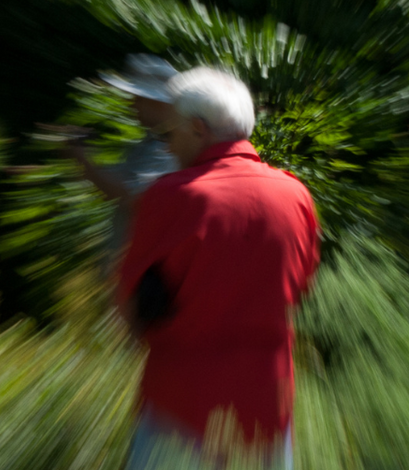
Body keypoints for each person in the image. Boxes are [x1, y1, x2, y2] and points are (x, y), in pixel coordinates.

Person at [117, 67, 321, 469]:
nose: (170, 147)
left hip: (179, 402)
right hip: (266, 405)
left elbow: (131, 305)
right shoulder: (296, 196)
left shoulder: (170, 197)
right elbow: (301, 287)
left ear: (197, 128)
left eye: (170, 133)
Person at [47, 54, 183, 268]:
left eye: (138, 97)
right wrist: (83, 157)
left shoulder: (169, 148)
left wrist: (81, 158)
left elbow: (128, 195)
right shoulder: (152, 142)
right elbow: (117, 179)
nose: (132, 104)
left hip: (145, 272)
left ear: (158, 102)